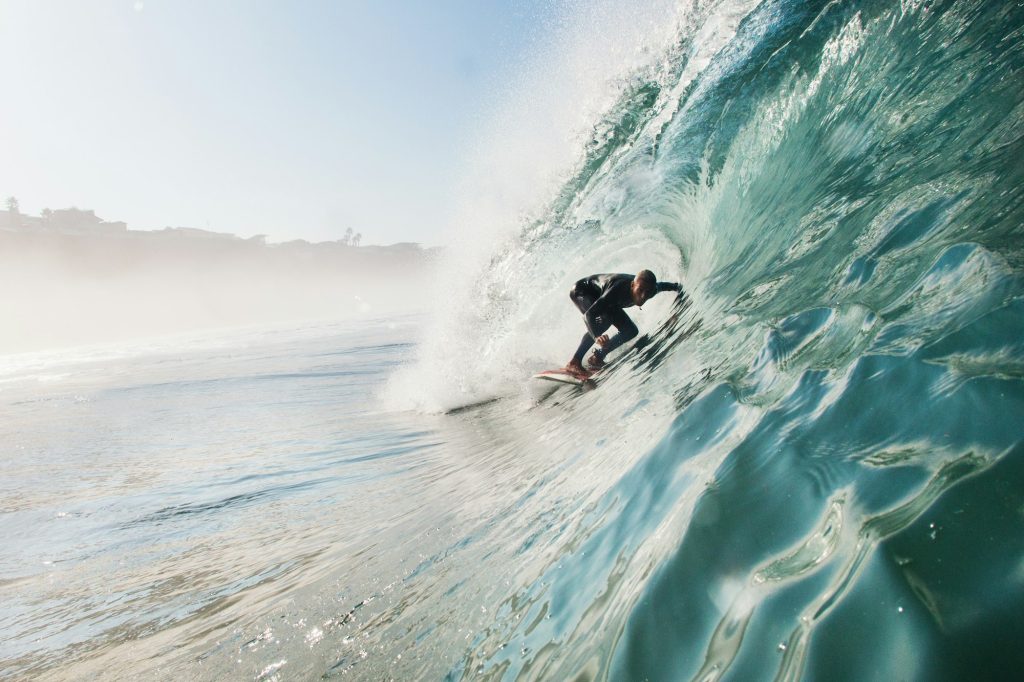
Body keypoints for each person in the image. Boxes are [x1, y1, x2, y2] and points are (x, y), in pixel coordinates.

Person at [565, 269, 682, 378]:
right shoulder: (617, 289)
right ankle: (574, 362)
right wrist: (596, 337)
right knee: (604, 323)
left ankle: (597, 357)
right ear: (632, 285)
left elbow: (668, 286)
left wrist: (679, 290)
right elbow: (588, 315)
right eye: (640, 290)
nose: (643, 296)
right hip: (582, 291)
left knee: (630, 331)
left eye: (647, 292)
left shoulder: (652, 290)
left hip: (608, 301)